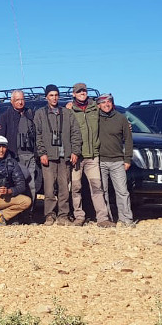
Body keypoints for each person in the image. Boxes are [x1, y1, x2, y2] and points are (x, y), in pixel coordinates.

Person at [33, 84, 81, 226]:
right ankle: (49, 215)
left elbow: (75, 133)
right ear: (46, 97)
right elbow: (37, 135)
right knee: (48, 189)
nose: (54, 98)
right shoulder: (40, 114)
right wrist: (41, 152)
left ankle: (63, 215)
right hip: (48, 156)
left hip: (64, 156)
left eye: (56, 95)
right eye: (51, 95)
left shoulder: (67, 113)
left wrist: (75, 151)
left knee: (64, 188)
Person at [68, 83, 113, 227]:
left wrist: (126, 125)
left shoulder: (95, 107)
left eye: (84, 91)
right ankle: (79, 216)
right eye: (79, 91)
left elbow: (109, 116)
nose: (82, 93)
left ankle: (102, 218)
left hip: (93, 156)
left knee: (97, 187)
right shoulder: (69, 110)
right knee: (75, 188)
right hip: (76, 157)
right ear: (74, 94)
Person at [0, 89, 39, 222]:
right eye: (17, 100)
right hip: (14, 156)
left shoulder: (31, 113)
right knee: (15, 185)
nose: (20, 102)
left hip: (30, 155)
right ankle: (14, 216)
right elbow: (0, 138)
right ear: (12, 101)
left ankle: (28, 215)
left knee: (31, 185)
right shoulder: (5, 116)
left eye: (22, 99)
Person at [97, 93, 135, 227]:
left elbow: (128, 140)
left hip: (118, 161)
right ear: (98, 105)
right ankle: (107, 219)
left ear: (112, 103)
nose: (106, 105)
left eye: (108, 102)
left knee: (122, 191)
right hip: (100, 161)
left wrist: (127, 159)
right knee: (102, 192)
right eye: (103, 102)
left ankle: (126, 219)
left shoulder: (121, 119)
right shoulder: (95, 118)